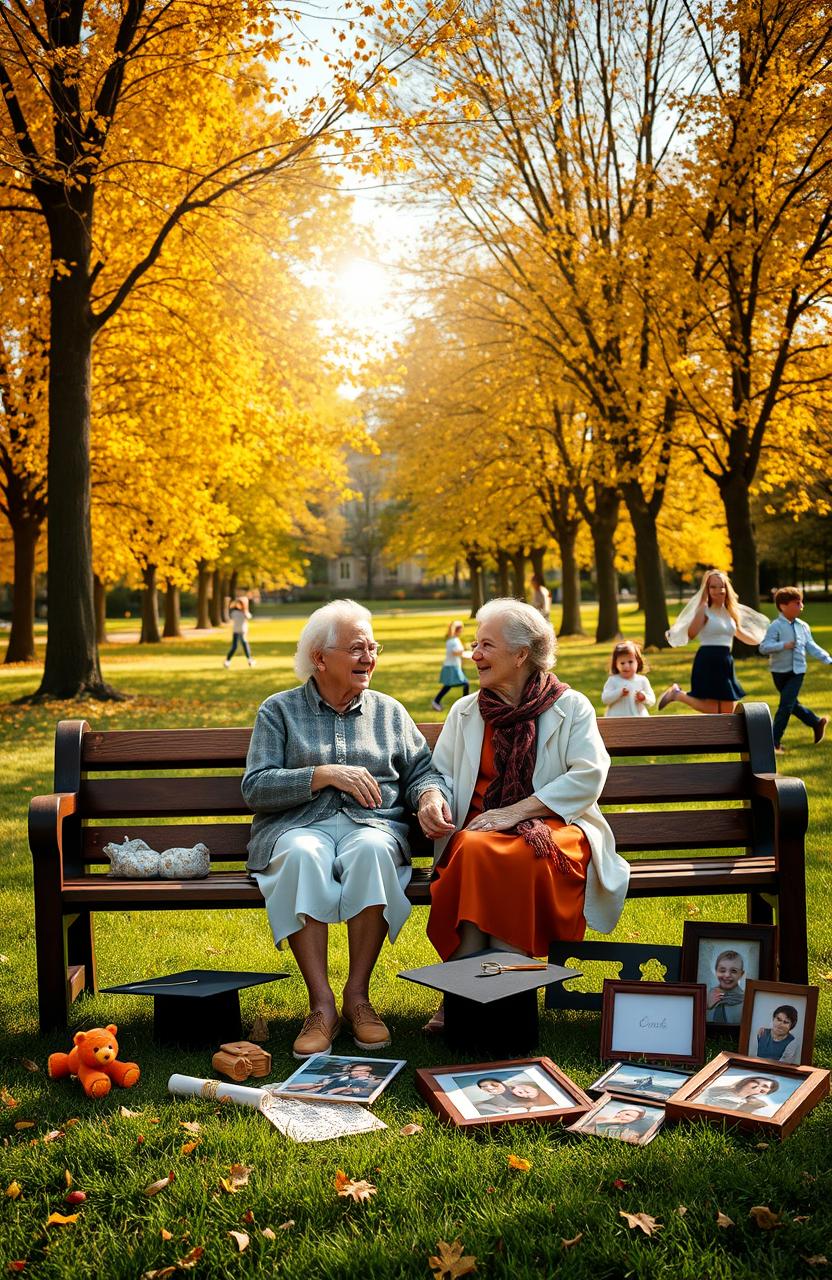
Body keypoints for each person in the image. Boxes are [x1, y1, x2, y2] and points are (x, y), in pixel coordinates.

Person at [242, 599, 453, 1059]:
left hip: (372, 826)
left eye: (372, 647)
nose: (368, 658)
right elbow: (255, 788)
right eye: (356, 648)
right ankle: (321, 1006)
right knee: (301, 854)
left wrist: (430, 797)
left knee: (372, 852)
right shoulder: (278, 711)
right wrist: (323, 774)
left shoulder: (389, 713)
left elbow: (423, 771)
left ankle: (358, 998)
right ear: (320, 658)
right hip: (297, 828)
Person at [424, 598, 630, 1029]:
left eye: (486, 645)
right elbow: (438, 774)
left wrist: (515, 812)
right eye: (475, 645)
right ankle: (487, 989)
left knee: (504, 853)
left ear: (521, 654)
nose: (473, 654)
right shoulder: (465, 712)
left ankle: (471, 990)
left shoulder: (570, 707)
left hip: (555, 828)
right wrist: (431, 798)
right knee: (478, 848)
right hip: (480, 829)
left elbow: (590, 775)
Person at [658, 570, 768, 714]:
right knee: (712, 709)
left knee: (729, 710)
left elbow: (740, 633)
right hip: (708, 659)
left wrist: (763, 640)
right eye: (713, 587)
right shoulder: (704, 610)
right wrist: (702, 608)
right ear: (707, 590)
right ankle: (677, 695)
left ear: (726, 588)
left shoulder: (730, 612)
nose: (718, 590)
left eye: (721, 586)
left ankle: (678, 695)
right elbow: (691, 634)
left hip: (726, 660)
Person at [758, 586, 831, 754]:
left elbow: (811, 646)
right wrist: (783, 645)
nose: (801, 606)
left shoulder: (803, 626)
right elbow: (763, 648)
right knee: (791, 704)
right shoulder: (775, 626)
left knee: (785, 705)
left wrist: (828, 659)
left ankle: (773, 742)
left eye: (801, 602)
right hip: (778, 672)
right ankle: (816, 722)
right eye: (797, 603)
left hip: (797, 672)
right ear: (783, 606)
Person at [601, 641, 656, 718]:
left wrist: (644, 697)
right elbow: (605, 699)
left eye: (630, 662)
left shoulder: (642, 680)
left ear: (638, 662)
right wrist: (619, 692)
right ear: (616, 664)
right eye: (622, 663)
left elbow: (652, 700)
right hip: (616, 720)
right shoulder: (613, 680)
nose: (626, 666)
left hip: (638, 719)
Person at [432, 620, 471, 712]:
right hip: (451, 667)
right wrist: (467, 652)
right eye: (461, 629)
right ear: (457, 630)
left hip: (453, 666)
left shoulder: (455, 640)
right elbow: (455, 652)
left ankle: (436, 701)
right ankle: (465, 705)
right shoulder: (452, 641)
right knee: (465, 684)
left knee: (448, 686)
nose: (462, 631)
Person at [698, 1074, 779, 1114]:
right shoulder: (718, 1089)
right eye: (755, 1082)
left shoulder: (755, 1105)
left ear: (765, 1092)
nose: (758, 1086)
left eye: (764, 1086)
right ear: (747, 1081)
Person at [707, 949, 746, 1025]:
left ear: (741, 974)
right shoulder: (706, 997)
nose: (727, 975)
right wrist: (707, 1007)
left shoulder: (746, 1001)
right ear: (716, 971)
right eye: (722, 970)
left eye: (734, 971)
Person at [582, 1105, 653, 1141]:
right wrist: (611, 1121)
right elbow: (587, 1126)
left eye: (628, 1115)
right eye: (619, 1113)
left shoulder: (629, 1130)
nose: (619, 1115)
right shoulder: (603, 1119)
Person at [224, 596, 255, 668]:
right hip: (236, 631)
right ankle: (227, 661)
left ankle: (250, 660)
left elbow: (249, 616)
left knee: (245, 645)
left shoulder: (245, 613)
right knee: (234, 647)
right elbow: (230, 615)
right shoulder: (234, 612)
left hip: (243, 632)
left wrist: (245, 609)